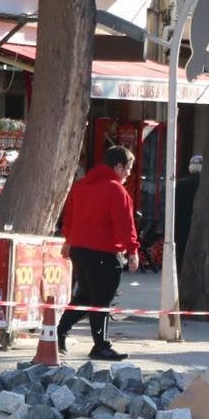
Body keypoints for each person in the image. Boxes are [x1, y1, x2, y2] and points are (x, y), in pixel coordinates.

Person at [58, 145, 140, 362]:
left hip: (80, 250)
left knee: (85, 295)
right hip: (104, 251)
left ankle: (60, 330)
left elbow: (70, 216)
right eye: (128, 168)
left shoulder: (81, 186)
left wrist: (68, 241)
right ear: (118, 166)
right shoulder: (116, 190)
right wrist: (132, 250)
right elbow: (125, 224)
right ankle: (101, 345)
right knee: (102, 299)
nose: (129, 174)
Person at [173, 155, 202, 274]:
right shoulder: (207, 185)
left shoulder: (179, 184)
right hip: (200, 227)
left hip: (181, 226)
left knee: (182, 256)